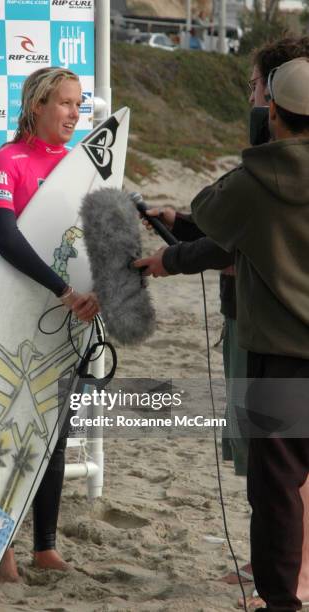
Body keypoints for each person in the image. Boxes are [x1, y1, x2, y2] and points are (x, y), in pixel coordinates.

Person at [191, 57, 309, 611]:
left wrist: (256, 140)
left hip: (280, 359)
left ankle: (281, 602)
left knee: (277, 492)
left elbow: (206, 212)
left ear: (272, 114)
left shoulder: (254, 180)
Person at [0, 66, 99, 581]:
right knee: (9, 436)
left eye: (79, 104)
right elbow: (7, 239)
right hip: (16, 317)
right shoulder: (7, 162)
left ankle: (44, 546)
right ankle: (0, 547)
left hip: (67, 322)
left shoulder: (79, 166)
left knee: (54, 434)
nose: (76, 114)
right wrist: (63, 291)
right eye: (65, 103)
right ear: (37, 106)